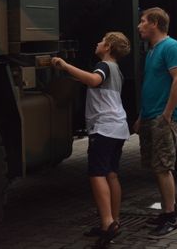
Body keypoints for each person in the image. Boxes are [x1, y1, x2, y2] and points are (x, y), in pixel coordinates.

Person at [51, 32, 131, 247]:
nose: (97, 42)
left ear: (108, 47)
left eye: (102, 41)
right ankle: (115, 220)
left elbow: (94, 80)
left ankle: (107, 223)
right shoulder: (117, 70)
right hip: (119, 128)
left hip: (103, 128)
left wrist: (66, 66)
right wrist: (72, 74)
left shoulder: (103, 66)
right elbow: (94, 82)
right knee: (112, 174)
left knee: (97, 174)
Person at [134, 7, 177, 238]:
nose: (139, 25)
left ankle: (172, 216)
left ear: (154, 23)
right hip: (150, 116)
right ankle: (166, 213)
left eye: (143, 21)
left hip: (162, 118)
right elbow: (151, 85)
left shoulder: (171, 47)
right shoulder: (152, 50)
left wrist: (167, 114)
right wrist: (141, 117)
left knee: (164, 168)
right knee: (157, 167)